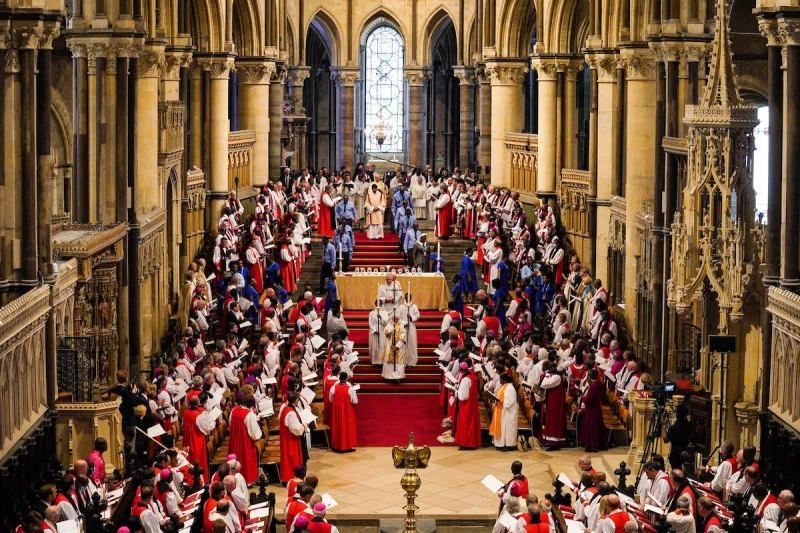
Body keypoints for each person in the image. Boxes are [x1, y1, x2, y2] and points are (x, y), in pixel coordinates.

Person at [228, 395, 263, 483]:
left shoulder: (234, 410)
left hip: (235, 440)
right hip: (245, 442)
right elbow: (255, 434)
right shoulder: (249, 414)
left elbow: (230, 423)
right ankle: (247, 480)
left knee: (235, 459)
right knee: (246, 460)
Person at [279, 392, 307, 484]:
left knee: (287, 458)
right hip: (291, 439)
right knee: (291, 458)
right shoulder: (291, 413)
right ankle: (290, 477)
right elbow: (296, 429)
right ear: (296, 401)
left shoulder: (284, 408)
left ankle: (287, 477)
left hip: (285, 437)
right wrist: (304, 425)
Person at [182, 395, 215, 472]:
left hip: (187, 441)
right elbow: (207, 431)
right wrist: (212, 424)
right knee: (198, 462)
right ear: (198, 403)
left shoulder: (185, 412)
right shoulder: (199, 416)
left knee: (189, 460)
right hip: (196, 442)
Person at [454, 362, 482, 450]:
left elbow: (463, 396)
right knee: (471, 423)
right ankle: (471, 443)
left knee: (465, 423)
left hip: (466, 405)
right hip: (472, 403)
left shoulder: (465, 380)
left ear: (462, 370)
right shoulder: (472, 376)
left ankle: (466, 443)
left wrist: (455, 392)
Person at [579, 369, 607, 453]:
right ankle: (595, 444)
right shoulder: (599, 384)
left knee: (591, 428)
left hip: (591, 409)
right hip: (596, 408)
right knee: (595, 427)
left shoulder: (593, 386)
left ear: (590, 377)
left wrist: (582, 398)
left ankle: (592, 445)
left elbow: (588, 399)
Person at [540, 362, 566, 450]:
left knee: (554, 419)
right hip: (551, 400)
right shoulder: (554, 375)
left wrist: (546, 375)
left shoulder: (557, 377)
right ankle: (548, 441)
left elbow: (544, 384)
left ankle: (554, 443)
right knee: (549, 419)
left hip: (555, 402)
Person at [329, 372, 358, 452]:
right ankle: (347, 446)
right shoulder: (350, 389)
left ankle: (336, 446)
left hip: (336, 411)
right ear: (346, 379)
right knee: (347, 427)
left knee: (337, 426)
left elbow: (330, 399)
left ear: (339, 378)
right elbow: (355, 401)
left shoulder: (333, 388)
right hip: (347, 411)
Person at [489, 373, 518, 451]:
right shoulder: (503, 387)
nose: (499, 380)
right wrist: (495, 399)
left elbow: (509, 402)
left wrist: (499, 401)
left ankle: (507, 445)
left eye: (501, 379)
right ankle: (499, 444)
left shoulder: (510, 389)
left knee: (505, 430)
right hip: (501, 410)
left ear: (505, 380)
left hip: (507, 413)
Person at [662, 404, 696, 469]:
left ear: (676, 415)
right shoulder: (691, 426)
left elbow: (665, 440)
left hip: (675, 456)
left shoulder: (673, 428)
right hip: (687, 454)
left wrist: (664, 426)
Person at [398, 293, 420, 367]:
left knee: (411, 344)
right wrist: (404, 323)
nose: (407, 299)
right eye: (406, 297)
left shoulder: (414, 306)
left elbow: (417, 316)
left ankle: (411, 362)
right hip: (403, 327)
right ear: (405, 298)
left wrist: (411, 317)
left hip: (411, 327)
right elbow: (398, 317)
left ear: (411, 298)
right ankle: (403, 361)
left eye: (409, 298)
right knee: (403, 344)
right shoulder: (401, 307)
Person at [382, 315, 407, 381]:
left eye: (396, 319)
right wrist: (392, 327)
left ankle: (398, 377)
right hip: (390, 346)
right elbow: (386, 333)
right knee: (389, 363)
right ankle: (389, 376)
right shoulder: (389, 325)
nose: (395, 321)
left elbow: (403, 336)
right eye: (394, 319)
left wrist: (398, 345)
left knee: (398, 363)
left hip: (398, 348)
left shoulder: (401, 326)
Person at [369, 301, 388, 365]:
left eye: (380, 304)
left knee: (381, 345)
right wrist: (374, 330)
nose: (378, 305)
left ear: (381, 304)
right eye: (377, 304)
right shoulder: (372, 313)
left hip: (382, 329)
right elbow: (370, 322)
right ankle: (374, 361)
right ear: (375, 304)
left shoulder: (384, 312)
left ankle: (381, 362)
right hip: (374, 330)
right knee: (375, 346)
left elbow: (386, 322)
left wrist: (381, 318)